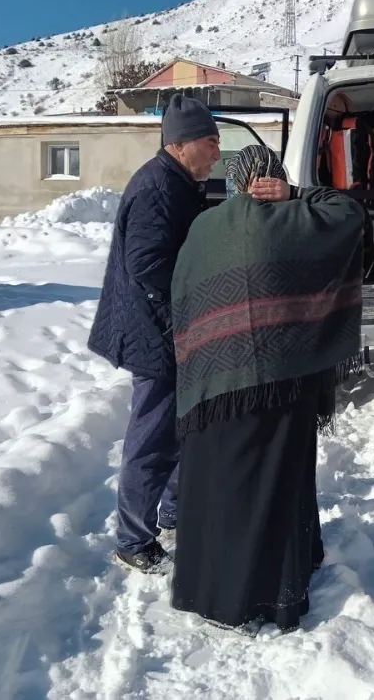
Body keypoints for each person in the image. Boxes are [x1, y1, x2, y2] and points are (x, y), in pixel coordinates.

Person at [169, 144, 365, 635]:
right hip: (281, 382)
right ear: (274, 178)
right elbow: (350, 212)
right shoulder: (295, 218)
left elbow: (182, 296)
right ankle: (264, 594)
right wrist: (297, 193)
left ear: (236, 182)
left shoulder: (203, 228)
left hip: (214, 381)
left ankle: (208, 587)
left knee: (220, 487)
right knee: (277, 486)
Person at [87, 94, 221, 573]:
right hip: (155, 334)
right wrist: (182, 311)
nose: (217, 154)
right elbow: (146, 264)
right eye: (211, 143)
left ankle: (170, 512)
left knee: (176, 430)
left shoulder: (177, 180)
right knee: (153, 438)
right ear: (182, 144)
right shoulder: (158, 187)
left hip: (169, 330)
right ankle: (133, 541)